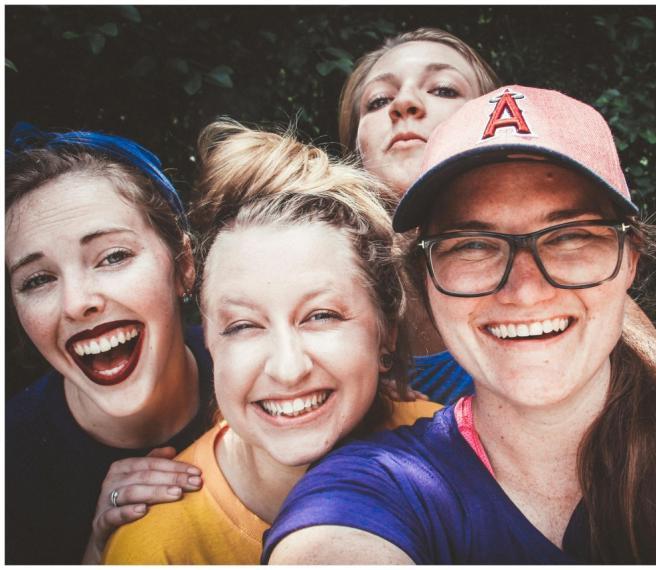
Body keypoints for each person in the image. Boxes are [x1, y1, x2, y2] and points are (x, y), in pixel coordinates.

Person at [263, 86, 656, 563]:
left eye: (570, 237)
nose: (525, 288)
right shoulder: (378, 486)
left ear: (630, 259)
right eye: (472, 244)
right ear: (426, 278)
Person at [101, 120, 440, 564]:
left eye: (321, 316)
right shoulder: (156, 545)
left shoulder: (455, 453)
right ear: (209, 344)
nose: (287, 368)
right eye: (243, 326)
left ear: (386, 334)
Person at [338, 27, 656, 404]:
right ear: (354, 148)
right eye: (378, 100)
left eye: (443, 89)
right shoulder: (324, 292)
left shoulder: (587, 297)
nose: (404, 104)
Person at [5, 125, 213, 564]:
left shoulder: (261, 371)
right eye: (38, 280)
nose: (78, 303)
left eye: (113, 256)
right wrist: (100, 554)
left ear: (184, 266)